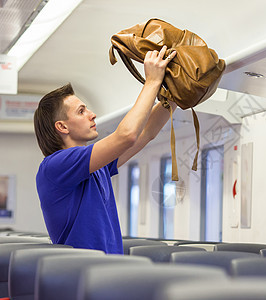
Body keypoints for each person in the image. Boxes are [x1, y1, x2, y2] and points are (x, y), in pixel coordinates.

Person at [33, 46, 177, 254]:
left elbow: (147, 132)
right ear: (62, 127)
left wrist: (174, 95)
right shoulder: (55, 166)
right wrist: (153, 81)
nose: (92, 114)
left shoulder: (96, 166)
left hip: (109, 272)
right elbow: (127, 135)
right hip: (82, 279)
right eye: (81, 111)